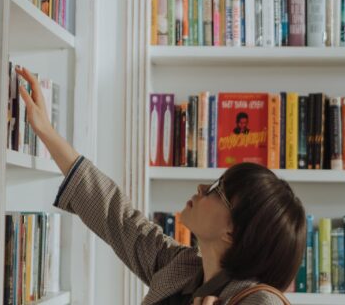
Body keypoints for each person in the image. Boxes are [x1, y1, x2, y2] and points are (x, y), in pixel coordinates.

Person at [16, 67, 306, 305]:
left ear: (233, 231)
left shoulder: (261, 301)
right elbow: (117, 217)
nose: (202, 188)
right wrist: (46, 130)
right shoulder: (184, 268)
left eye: (218, 190)